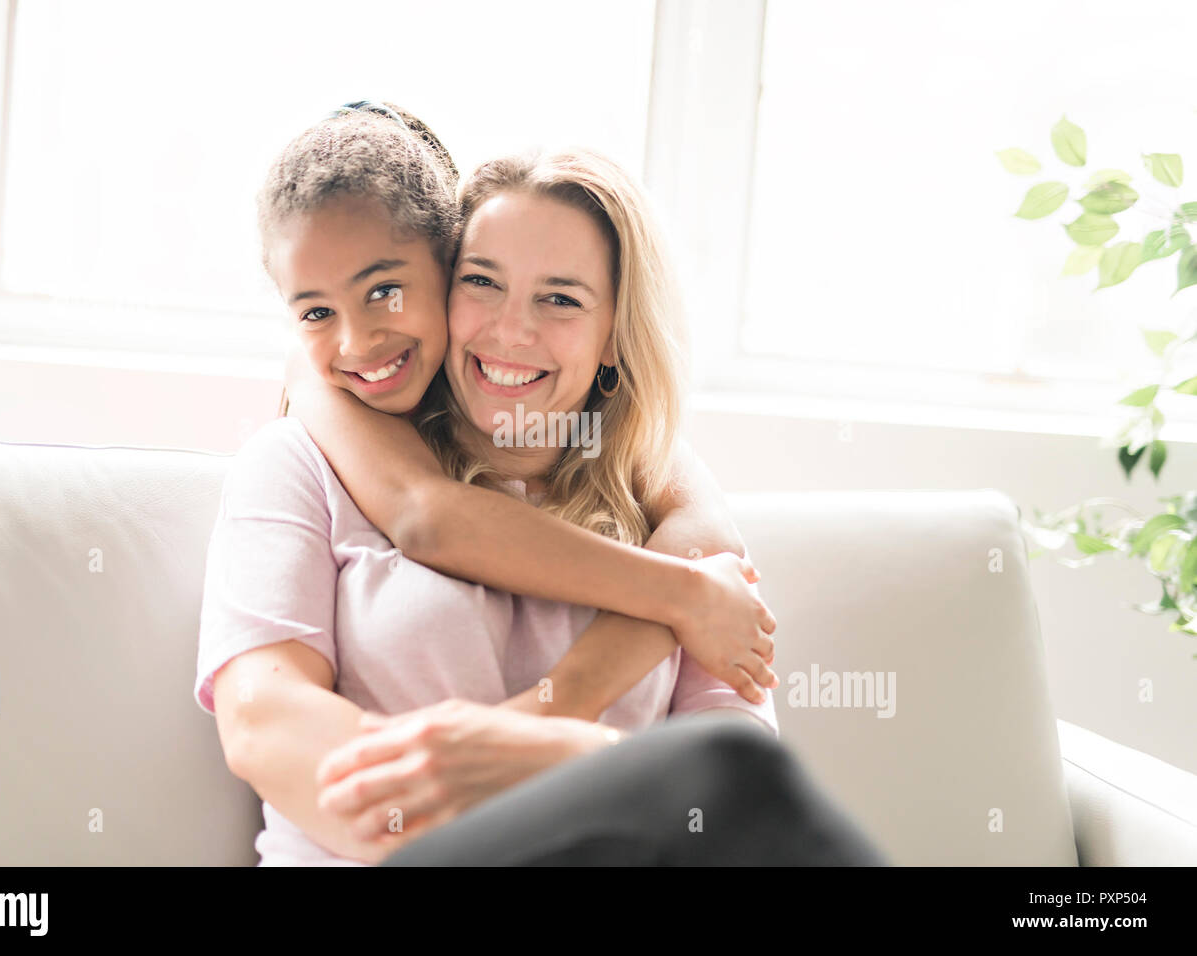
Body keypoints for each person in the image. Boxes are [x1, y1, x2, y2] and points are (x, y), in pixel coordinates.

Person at [196, 103, 887, 865]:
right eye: (482, 283)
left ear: (615, 335)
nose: (509, 331)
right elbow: (265, 724)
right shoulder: (302, 465)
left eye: (559, 299)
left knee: (741, 770)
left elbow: (728, 801)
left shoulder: (668, 524)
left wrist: (536, 754)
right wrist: (498, 780)